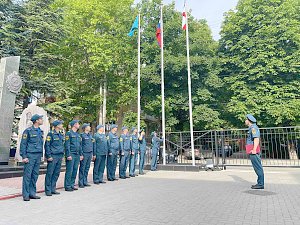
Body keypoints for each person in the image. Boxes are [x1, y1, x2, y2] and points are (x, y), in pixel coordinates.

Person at [20, 114, 44, 201]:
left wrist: (41, 156)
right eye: (41, 119)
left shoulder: (40, 131)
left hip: (37, 155)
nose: (42, 120)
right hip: (30, 155)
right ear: (37, 120)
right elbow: (23, 144)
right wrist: (24, 156)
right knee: (27, 175)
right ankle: (26, 194)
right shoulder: (28, 131)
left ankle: (32, 193)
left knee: (35, 175)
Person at [44, 120, 64, 196]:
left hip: (59, 155)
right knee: (50, 173)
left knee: (56, 173)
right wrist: (48, 156)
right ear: (57, 125)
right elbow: (47, 145)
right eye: (61, 124)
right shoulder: (51, 134)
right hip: (53, 156)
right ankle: (48, 190)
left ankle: (53, 188)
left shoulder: (61, 134)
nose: (62, 125)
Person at [245, 114, 264, 189]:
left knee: (258, 167)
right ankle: (260, 183)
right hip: (252, 149)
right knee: (257, 167)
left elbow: (256, 139)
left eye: (246, 119)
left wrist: (254, 150)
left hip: (253, 150)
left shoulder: (253, 128)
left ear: (249, 120)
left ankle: (260, 184)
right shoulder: (252, 128)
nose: (245, 121)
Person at [64, 120, 83, 191]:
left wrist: (81, 154)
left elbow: (80, 145)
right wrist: (68, 154)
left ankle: (72, 184)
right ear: (74, 125)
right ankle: (67, 186)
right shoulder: (68, 133)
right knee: (69, 170)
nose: (79, 125)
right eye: (78, 124)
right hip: (71, 154)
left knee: (75, 170)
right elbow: (67, 145)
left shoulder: (78, 134)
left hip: (77, 154)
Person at [78, 123, 94, 188]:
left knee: (87, 168)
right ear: (85, 128)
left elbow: (91, 145)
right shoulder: (81, 135)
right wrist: (81, 154)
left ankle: (85, 181)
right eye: (88, 126)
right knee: (82, 168)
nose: (90, 127)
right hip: (84, 153)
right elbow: (80, 145)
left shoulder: (90, 135)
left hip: (90, 153)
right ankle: (81, 182)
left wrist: (92, 153)